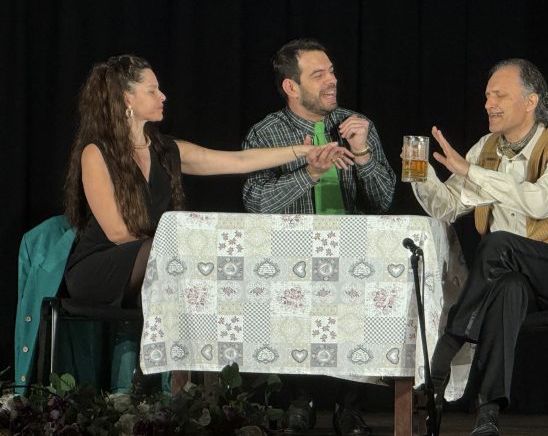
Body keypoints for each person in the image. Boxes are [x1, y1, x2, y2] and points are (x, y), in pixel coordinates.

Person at [63, 54, 351, 392]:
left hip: (161, 265)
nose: (162, 96)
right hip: (101, 268)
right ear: (127, 99)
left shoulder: (165, 149)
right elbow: (117, 232)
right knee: (178, 251)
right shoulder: (97, 152)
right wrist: (181, 245)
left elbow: (236, 161)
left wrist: (303, 153)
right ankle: (177, 387)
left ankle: (210, 388)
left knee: (204, 267)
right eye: (152, 91)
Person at [411, 59, 548, 436]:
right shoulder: (485, 150)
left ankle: (446, 348)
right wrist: (420, 173)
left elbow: (539, 202)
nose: (489, 104)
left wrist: (472, 172)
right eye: (487, 96)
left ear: (531, 101)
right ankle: (488, 414)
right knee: (508, 289)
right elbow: (447, 207)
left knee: (499, 243)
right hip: (515, 277)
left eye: (499, 95)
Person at [242, 38, 396, 435]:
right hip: (291, 256)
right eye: (318, 74)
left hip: (353, 254)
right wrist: (308, 173)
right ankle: (301, 400)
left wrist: (363, 153)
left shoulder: (355, 125)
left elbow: (383, 199)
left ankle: (349, 406)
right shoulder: (267, 134)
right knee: (287, 282)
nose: (332, 80)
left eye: (331, 71)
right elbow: (256, 202)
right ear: (291, 87)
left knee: (368, 282)